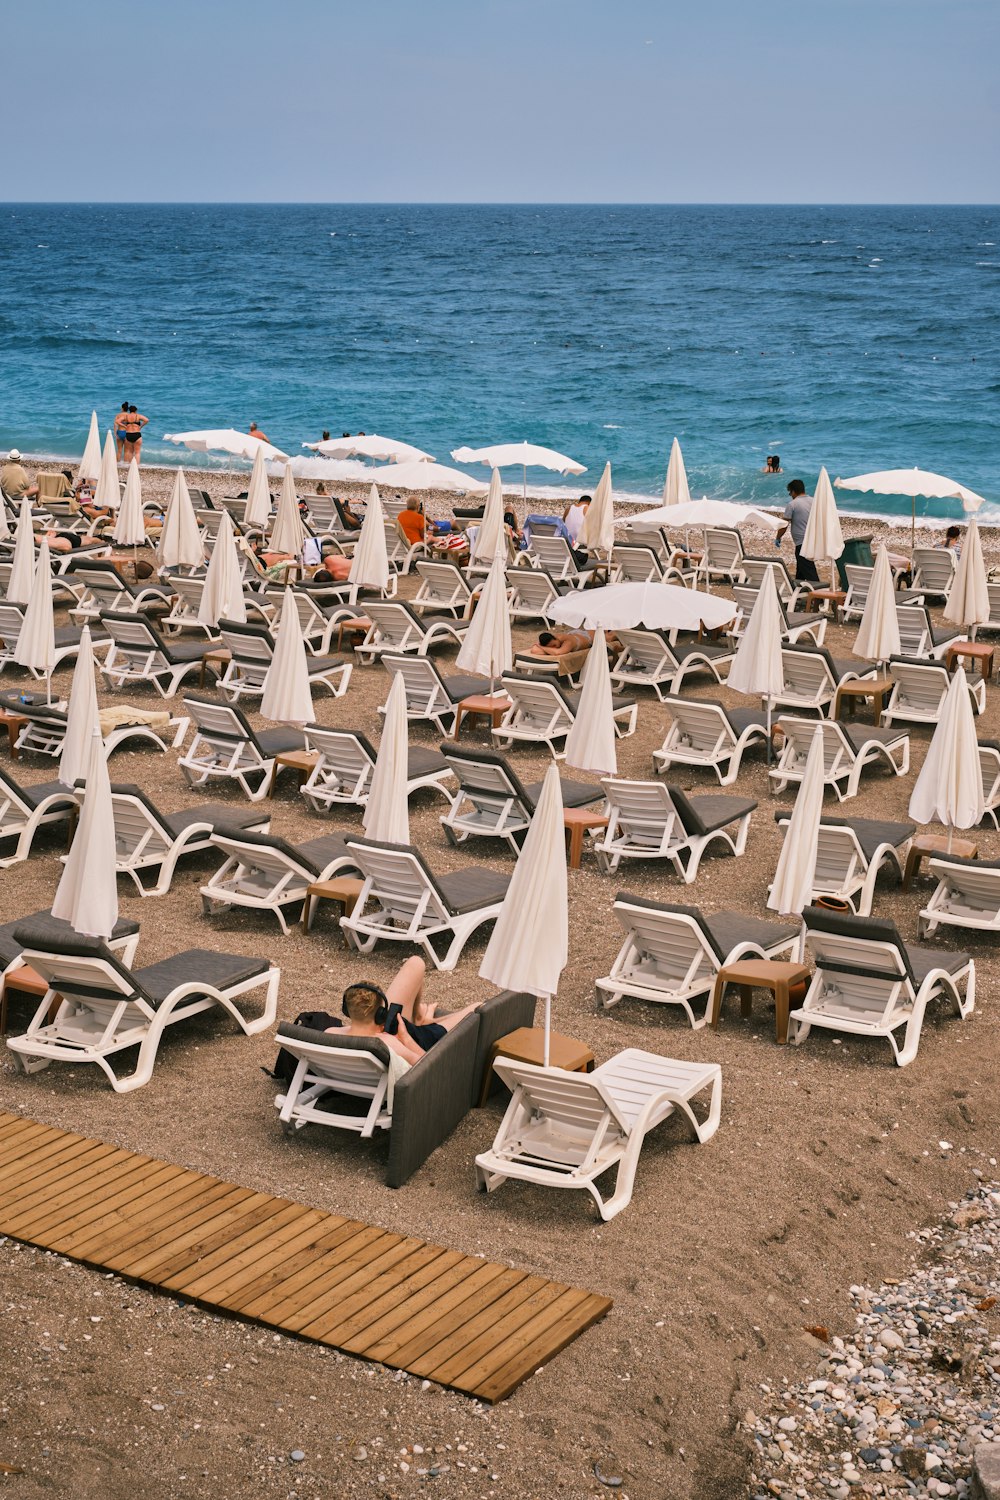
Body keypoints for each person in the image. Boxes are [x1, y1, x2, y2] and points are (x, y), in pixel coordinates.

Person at [334, 958, 482, 1063]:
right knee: (478, 1006)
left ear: (347, 1010)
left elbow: (356, 1032)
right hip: (422, 1039)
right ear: (381, 1015)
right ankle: (425, 1023)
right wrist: (406, 1038)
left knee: (416, 963)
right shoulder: (387, 1042)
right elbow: (428, 1065)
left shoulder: (331, 1034)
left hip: (391, 1028)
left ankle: (420, 1018)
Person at [779, 479, 820, 583]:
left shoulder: (793, 504)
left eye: (790, 492)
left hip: (802, 542)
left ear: (793, 491)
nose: (790, 495)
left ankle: (819, 595)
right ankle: (798, 588)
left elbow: (784, 525)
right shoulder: (813, 501)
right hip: (813, 539)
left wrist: (778, 537)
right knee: (801, 567)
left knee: (809, 570)